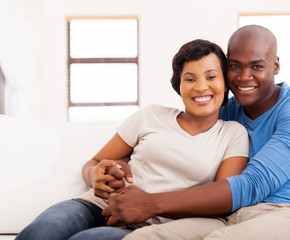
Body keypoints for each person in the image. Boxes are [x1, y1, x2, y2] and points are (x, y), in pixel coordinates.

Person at [103, 25, 290, 240]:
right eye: (234, 66)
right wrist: (122, 168)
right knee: (144, 237)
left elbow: (254, 184)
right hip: (230, 217)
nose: (243, 76)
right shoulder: (225, 110)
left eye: (257, 66)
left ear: (275, 66)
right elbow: (167, 142)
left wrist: (152, 203)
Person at [15, 39, 249, 240]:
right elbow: (94, 162)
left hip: (146, 226)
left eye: (211, 76)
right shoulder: (151, 115)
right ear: (179, 84)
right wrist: (97, 176)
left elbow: (222, 201)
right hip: (97, 205)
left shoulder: (232, 134)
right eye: (190, 79)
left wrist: (146, 205)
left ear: (225, 83)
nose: (201, 86)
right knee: (40, 233)